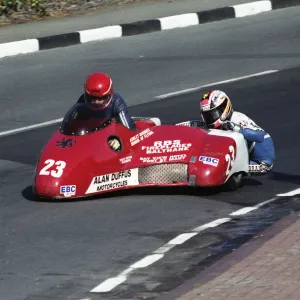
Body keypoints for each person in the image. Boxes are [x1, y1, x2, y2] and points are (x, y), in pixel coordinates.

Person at [197, 90, 275, 175]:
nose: (210, 119)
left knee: (223, 171)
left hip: (262, 162)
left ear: (224, 109)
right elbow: (197, 124)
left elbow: (260, 136)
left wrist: (236, 129)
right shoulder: (217, 123)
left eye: (213, 114)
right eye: (207, 116)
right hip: (243, 157)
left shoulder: (238, 119)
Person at [77, 72, 136, 150]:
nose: (96, 102)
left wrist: (119, 140)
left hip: (111, 139)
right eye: (91, 98)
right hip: (91, 138)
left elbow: (129, 131)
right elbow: (75, 125)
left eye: (101, 98)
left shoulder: (117, 102)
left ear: (109, 95)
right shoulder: (82, 101)